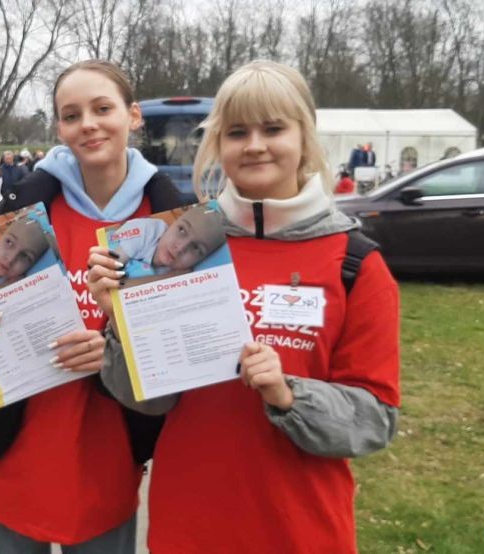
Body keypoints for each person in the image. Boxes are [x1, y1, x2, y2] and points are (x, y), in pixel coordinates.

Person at [89, 60, 401, 553]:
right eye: (237, 132)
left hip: (301, 533)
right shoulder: (181, 248)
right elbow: (149, 401)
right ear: (219, 145)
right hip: (186, 530)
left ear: (305, 137)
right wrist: (121, 320)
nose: (254, 145)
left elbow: (375, 420)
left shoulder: (355, 263)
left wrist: (288, 394)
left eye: (273, 128)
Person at [0, 59, 183, 554]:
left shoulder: (171, 221)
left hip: (106, 468)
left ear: (132, 116)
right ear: (60, 128)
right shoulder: (21, 211)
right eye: (71, 115)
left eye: (102, 108)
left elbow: (184, 355)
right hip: (9, 464)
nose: (88, 124)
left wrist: (113, 354)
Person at [107, 207, 226, 279]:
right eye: (182, 230)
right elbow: (110, 268)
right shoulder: (146, 230)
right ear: (173, 223)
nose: (180, 248)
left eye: (196, 248)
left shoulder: (183, 274)